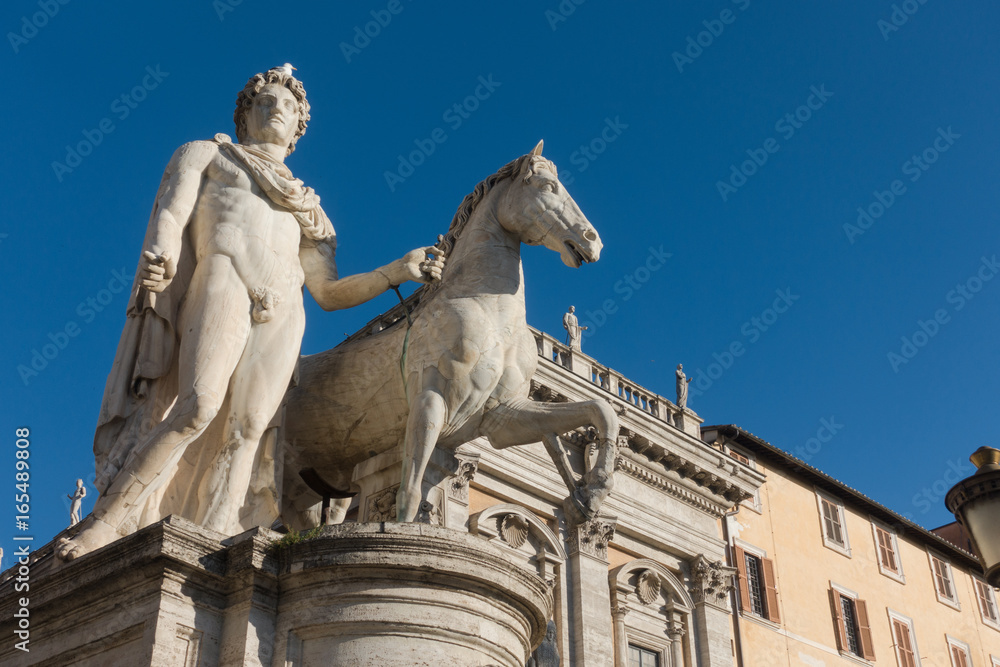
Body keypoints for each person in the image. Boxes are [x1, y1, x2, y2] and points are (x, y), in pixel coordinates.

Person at [57, 66, 444, 561]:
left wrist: (396, 270)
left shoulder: (308, 208)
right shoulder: (209, 155)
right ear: (245, 114)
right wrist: (162, 253)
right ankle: (108, 523)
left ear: (299, 128)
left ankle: (217, 537)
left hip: (285, 307)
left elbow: (327, 292)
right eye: (265, 101)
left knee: (248, 431)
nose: (277, 109)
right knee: (197, 405)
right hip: (224, 275)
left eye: (288, 106)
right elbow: (172, 212)